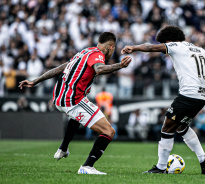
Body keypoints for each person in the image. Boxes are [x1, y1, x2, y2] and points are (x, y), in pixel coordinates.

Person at [121, 25, 205, 174]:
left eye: (164, 43)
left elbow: (150, 47)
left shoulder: (175, 46)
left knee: (166, 128)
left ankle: (160, 167)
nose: (163, 47)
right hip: (201, 96)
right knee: (180, 127)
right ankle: (203, 158)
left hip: (188, 94)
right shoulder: (197, 49)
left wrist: (133, 47)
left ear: (169, 40)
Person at [19, 32, 132, 175]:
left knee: (76, 117)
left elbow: (60, 68)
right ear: (110, 47)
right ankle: (87, 167)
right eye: (113, 49)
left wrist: (35, 81)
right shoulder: (98, 55)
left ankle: (63, 148)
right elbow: (100, 69)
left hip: (59, 98)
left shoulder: (84, 52)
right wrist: (120, 66)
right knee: (109, 131)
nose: (112, 52)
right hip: (73, 100)